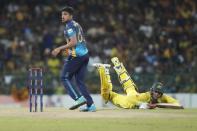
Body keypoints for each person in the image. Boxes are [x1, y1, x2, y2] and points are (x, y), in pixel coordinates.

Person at [93, 57, 183, 109]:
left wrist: (158, 105)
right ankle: (103, 69)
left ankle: (115, 66)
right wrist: (141, 104)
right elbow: (131, 99)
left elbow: (179, 105)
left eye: (159, 93)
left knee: (128, 86)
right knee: (106, 95)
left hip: (133, 94)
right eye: (156, 91)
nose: (157, 94)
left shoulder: (163, 97)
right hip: (128, 102)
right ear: (152, 91)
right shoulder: (146, 96)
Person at [51, 6, 96, 112]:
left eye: (65, 14)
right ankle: (91, 105)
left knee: (64, 77)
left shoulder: (69, 26)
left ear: (71, 16)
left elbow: (74, 42)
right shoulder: (76, 24)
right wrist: (68, 50)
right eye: (62, 14)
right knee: (80, 81)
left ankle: (79, 99)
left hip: (78, 56)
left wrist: (59, 48)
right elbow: (76, 43)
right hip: (84, 54)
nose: (62, 16)